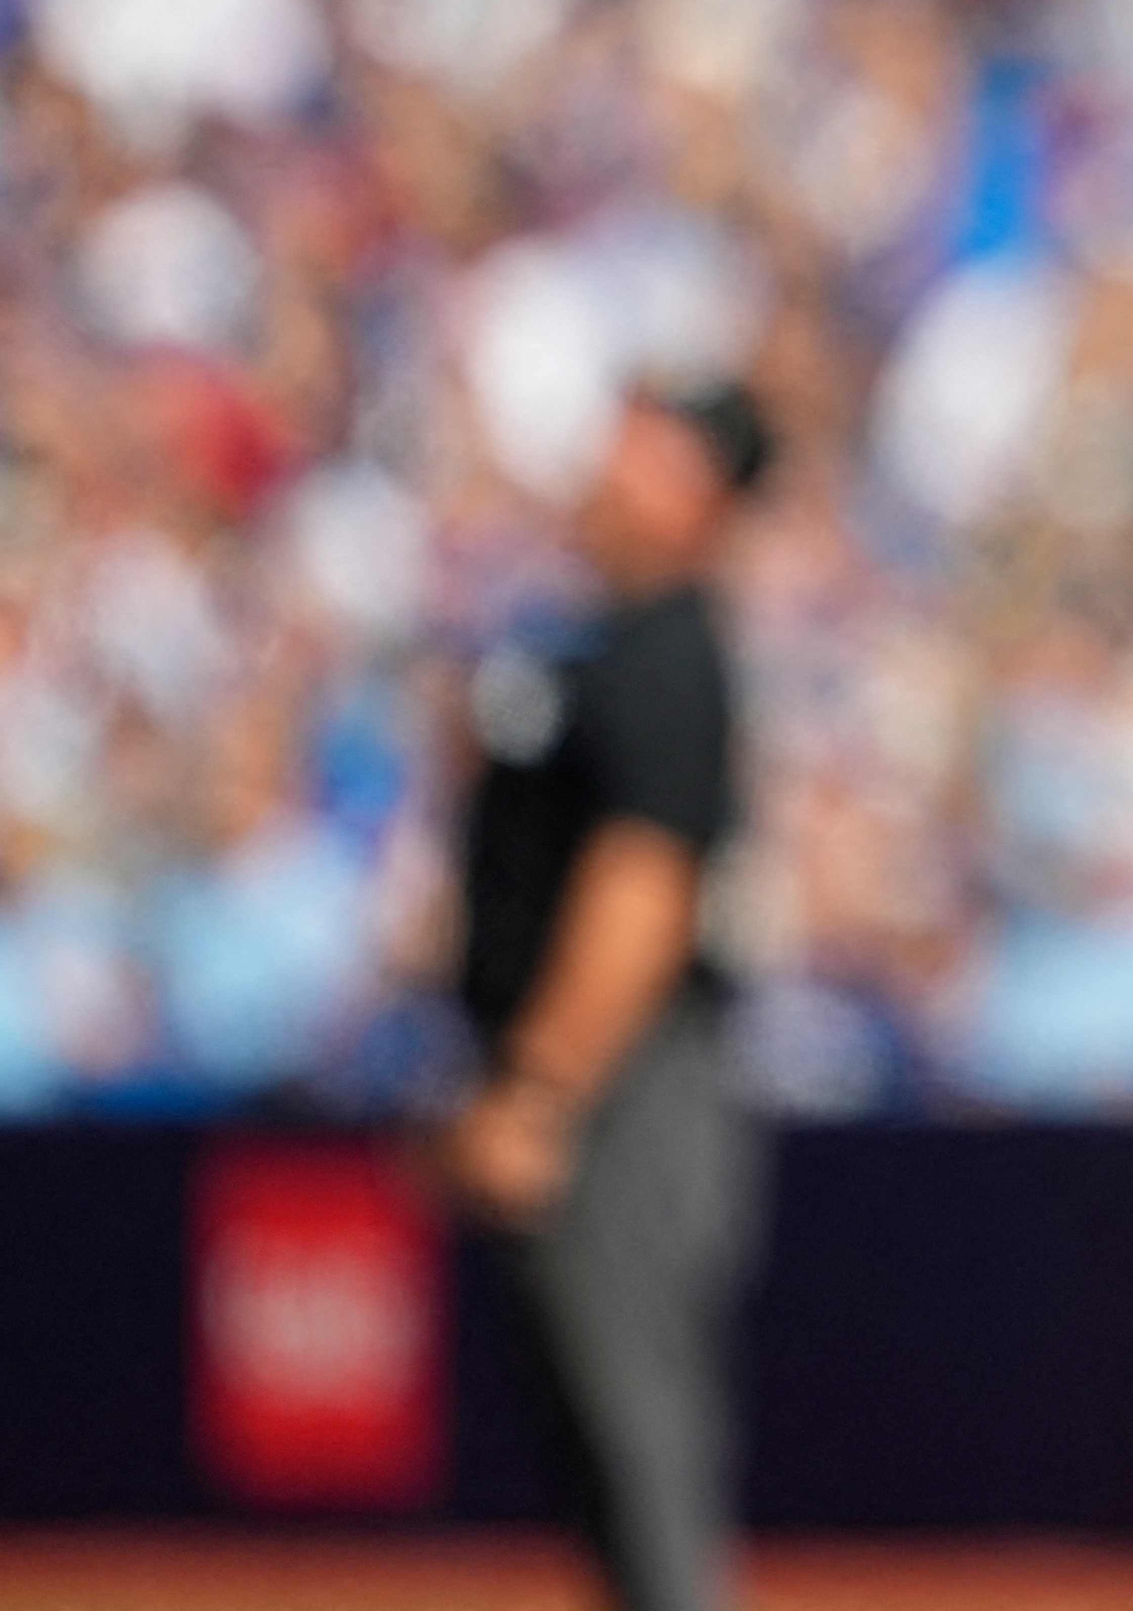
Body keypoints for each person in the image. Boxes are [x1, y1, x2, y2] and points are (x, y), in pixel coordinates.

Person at [439, 382, 775, 1611]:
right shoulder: (601, 638)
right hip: (601, 1077)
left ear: (704, 490)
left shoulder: (672, 650)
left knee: (640, 1448)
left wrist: (535, 1091)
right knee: (602, 1452)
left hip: (628, 1086)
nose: (612, 465)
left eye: (649, 448)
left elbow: (644, 890)